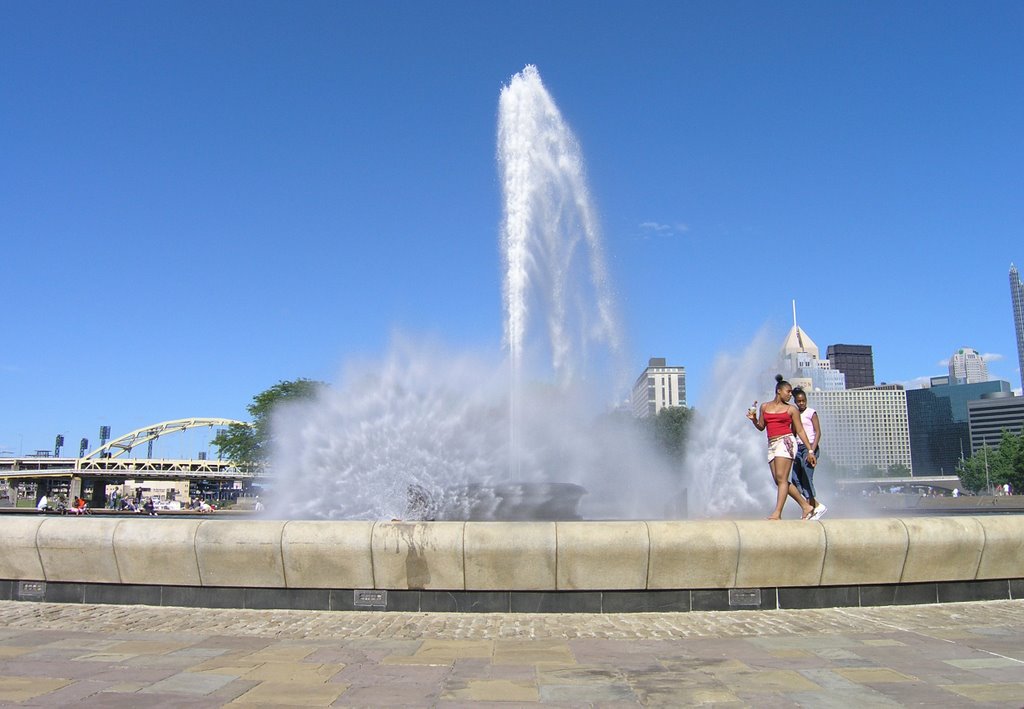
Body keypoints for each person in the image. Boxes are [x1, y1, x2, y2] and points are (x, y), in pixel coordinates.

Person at [746, 374, 817, 520]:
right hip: (772, 444)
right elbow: (761, 427)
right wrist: (753, 420)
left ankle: (777, 513)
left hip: (786, 442)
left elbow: (801, 431)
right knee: (779, 480)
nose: (791, 395)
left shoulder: (792, 410)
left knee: (781, 478)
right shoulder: (765, 406)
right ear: (779, 391)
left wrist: (810, 450)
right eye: (788, 391)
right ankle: (806, 506)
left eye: (791, 392)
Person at [791, 387, 827, 520]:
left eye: (803, 401)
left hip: (810, 447)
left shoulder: (811, 413)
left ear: (806, 401)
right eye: (798, 401)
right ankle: (815, 506)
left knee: (807, 476)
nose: (801, 403)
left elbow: (818, 432)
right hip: (798, 448)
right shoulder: (794, 413)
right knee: (795, 479)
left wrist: (812, 449)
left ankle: (811, 508)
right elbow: (794, 432)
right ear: (795, 401)